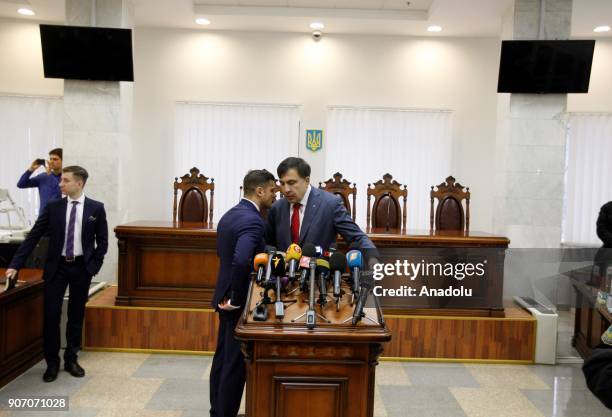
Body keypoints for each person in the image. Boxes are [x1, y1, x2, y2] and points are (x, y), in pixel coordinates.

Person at [5, 166, 108, 382]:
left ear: (79, 183)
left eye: (65, 181)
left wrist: (93, 267)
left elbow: (103, 242)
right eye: (61, 180)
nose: (60, 184)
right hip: (57, 269)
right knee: (51, 315)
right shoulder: (54, 207)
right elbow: (33, 237)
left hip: (82, 269)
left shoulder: (96, 208)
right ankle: (52, 362)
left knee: (75, 315)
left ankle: (71, 358)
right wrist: (15, 263)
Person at [209, 169, 277, 417]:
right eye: (272, 190)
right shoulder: (253, 220)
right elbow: (241, 260)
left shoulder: (230, 215)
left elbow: (224, 255)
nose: (274, 195)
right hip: (236, 301)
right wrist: (237, 299)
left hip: (223, 293)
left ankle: (216, 410)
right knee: (235, 366)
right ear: (259, 191)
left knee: (222, 359)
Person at [265, 157, 377, 256]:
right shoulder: (276, 208)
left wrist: (372, 259)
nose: (286, 189)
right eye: (282, 183)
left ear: (307, 180)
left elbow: (356, 237)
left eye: (291, 183)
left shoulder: (330, 204)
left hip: (319, 276)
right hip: (283, 276)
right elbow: (267, 244)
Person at [17, 148, 63, 216]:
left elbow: (58, 190)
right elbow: (21, 184)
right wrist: (31, 169)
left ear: (63, 161)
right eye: (50, 159)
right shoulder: (43, 177)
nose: (51, 162)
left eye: (55, 159)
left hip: (59, 217)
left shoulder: (66, 178)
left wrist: (49, 173)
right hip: (43, 216)